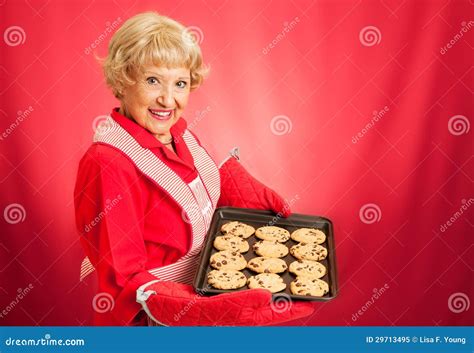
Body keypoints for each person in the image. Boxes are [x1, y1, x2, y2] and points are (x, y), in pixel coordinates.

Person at [73, 11, 314, 326]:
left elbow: (193, 182)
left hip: (206, 290)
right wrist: (196, 310)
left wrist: (242, 190)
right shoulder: (108, 163)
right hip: (153, 318)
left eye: (180, 83)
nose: (167, 99)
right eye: (152, 80)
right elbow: (122, 276)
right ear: (123, 80)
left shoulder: (179, 134)